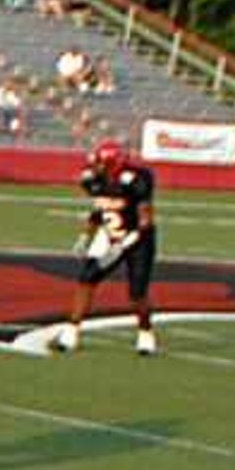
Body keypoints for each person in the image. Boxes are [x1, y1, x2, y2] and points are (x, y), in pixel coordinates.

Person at [57, 136, 160, 355]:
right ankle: (71, 332)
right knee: (87, 278)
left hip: (138, 240)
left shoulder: (137, 180)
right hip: (109, 235)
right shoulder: (94, 181)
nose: (95, 167)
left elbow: (146, 220)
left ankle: (145, 332)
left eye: (100, 163)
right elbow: (99, 210)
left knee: (137, 293)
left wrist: (126, 243)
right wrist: (86, 236)